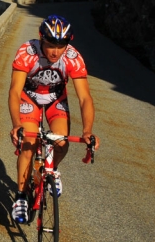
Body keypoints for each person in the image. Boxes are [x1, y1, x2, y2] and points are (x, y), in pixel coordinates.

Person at [8, 14, 100, 223]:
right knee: (29, 145)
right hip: (28, 99)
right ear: (41, 39)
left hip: (55, 100)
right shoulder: (26, 52)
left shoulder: (72, 57)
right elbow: (14, 91)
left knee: (61, 141)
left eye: (61, 45)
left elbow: (85, 98)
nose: (56, 51)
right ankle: (21, 196)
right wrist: (17, 125)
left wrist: (87, 131)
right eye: (50, 45)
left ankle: (52, 170)